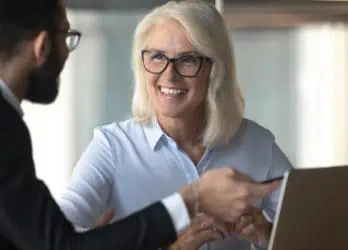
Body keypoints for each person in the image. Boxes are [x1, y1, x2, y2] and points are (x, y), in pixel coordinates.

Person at [0, 0, 281, 250]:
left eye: (187, 60)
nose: (169, 75)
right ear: (42, 46)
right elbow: (60, 240)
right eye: (157, 57)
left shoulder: (258, 143)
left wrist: (267, 234)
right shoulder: (110, 145)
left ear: (215, 70)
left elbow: (314, 229)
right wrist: (193, 201)